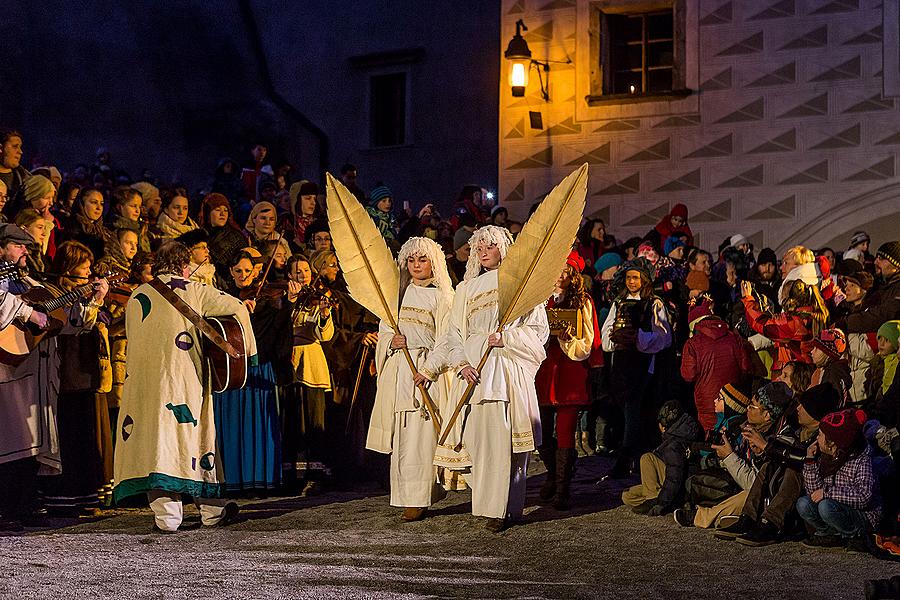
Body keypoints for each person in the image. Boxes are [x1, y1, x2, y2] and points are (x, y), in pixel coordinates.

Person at [113, 242, 254, 532]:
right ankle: (212, 512)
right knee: (194, 438)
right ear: (185, 266)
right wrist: (249, 355)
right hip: (183, 380)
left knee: (155, 442)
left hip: (143, 384)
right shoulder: (195, 290)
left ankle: (167, 517)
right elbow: (238, 308)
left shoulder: (137, 295)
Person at [437, 225, 549, 532]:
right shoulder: (466, 289)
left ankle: (501, 509)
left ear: (503, 248)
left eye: (489, 245)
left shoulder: (521, 286)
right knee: (477, 440)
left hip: (505, 370)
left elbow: (538, 333)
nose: (483, 251)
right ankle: (487, 504)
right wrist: (461, 364)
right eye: (478, 247)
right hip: (474, 370)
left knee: (504, 443)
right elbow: (454, 334)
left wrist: (507, 339)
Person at [0, 224, 105, 531]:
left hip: (37, 376)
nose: (25, 252)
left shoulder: (31, 281)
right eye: (18, 246)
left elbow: (65, 322)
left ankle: (25, 506)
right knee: (10, 443)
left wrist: (93, 302)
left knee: (31, 445)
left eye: (26, 247)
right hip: (9, 373)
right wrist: (28, 314)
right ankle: (5, 509)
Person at [367, 237, 455, 521]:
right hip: (400, 372)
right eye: (412, 260)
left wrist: (428, 369)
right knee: (404, 435)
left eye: (423, 260)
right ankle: (404, 495)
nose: (417, 266)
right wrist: (390, 342)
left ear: (434, 263)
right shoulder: (397, 295)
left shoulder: (442, 296)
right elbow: (383, 333)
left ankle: (420, 496)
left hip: (425, 372)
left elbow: (446, 338)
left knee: (421, 436)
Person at [39, 241, 113, 515]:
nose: (89, 275)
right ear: (70, 270)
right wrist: (94, 301)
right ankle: (63, 501)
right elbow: (74, 324)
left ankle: (85, 498)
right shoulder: (54, 292)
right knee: (68, 436)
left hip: (83, 373)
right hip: (65, 374)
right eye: (85, 270)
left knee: (84, 434)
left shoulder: (78, 294)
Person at [215, 251, 298, 494]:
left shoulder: (267, 300)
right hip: (231, 369)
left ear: (256, 272)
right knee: (229, 425)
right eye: (238, 271)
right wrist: (238, 313)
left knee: (257, 424)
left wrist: (290, 302)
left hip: (258, 365)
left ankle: (258, 478)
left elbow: (275, 329)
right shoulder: (221, 299)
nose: (243, 276)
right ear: (230, 272)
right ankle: (230, 479)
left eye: (248, 271)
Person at [534, 252, 601, 510]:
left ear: (573, 274)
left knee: (564, 432)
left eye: (566, 270)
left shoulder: (582, 301)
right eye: (557, 269)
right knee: (539, 430)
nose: (560, 275)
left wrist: (567, 337)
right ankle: (552, 475)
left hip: (570, 372)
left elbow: (588, 340)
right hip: (544, 370)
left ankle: (562, 488)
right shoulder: (541, 300)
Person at [600, 257, 673, 478]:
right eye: (629, 277)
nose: (632, 282)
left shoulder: (654, 303)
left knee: (635, 411)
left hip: (642, 366)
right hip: (620, 365)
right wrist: (615, 338)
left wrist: (638, 337)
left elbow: (664, 336)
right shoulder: (618, 303)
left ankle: (626, 460)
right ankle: (634, 458)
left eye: (636, 277)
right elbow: (606, 335)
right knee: (626, 412)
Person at [282, 254, 334, 495]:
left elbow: (325, 335)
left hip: (312, 364)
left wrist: (323, 315)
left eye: (305, 271)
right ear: (289, 276)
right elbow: (280, 327)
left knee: (314, 421)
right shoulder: (283, 301)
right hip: (289, 364)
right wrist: (290, 302)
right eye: (297, 271)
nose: (302, 275)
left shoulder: (317, 301)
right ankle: (292, 475)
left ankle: (316, 475)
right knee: (292, 421)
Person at [798, 408, 880, 551]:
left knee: (826, 507)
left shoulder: (861, 461)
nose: (817, 438)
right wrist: (810, 461)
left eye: (820, 435)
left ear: (832, 443)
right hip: (834, 508)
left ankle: (856, 536)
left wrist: (827, 493)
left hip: (862, 515)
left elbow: (864, 497)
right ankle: (830, 533)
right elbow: (813, 492)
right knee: (803, 503)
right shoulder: (825, 457)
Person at [680, 300, 757, 432]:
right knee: (733, 431)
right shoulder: (734, 337)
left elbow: (688, 375)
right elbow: (746, 368)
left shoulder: (692, 344)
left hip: (707, 402)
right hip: (733, 398)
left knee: (711, 436)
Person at [622, 401, 701, 515]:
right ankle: (670, 500)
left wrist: (661, 503)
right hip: (667, 485)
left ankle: (654, 500)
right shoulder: (675, 435)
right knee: (627, 496)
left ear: (663, 426)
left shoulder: (674, 444)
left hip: (678, 484)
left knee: (647, 458)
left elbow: (674, 476)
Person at [198, 192, 248, 283]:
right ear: (208, 213)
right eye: (217, 210)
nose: (222, 214)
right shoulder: (198, 236)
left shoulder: (236, 237)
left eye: (225, 210)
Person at [0, 129, 30, 214]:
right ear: (1, 148)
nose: (20, 152)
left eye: (20, 147)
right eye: (15, 146)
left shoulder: (26, 180)